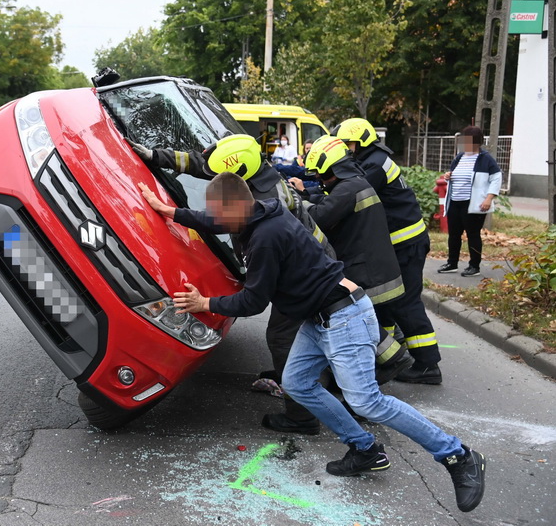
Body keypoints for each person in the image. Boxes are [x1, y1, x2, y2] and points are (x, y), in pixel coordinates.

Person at [137, 172, 486, 513]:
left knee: (367, 400)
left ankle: (457, 454)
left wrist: (204, 304)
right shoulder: (255, 213)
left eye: (217, 214)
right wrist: (170, 211)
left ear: (234, 207)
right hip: (318, 318)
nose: (213, 220)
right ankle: (364, 449)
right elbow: (210, 220)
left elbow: (253, 302)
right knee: (298, 385)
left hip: (344, 316)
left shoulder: (266, 236)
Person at [129, 135, 409, 435]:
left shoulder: (269, 201)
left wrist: (206, 303)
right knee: (311, 327)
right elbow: (207, 171)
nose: (213, 181)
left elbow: (253, 297)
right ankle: (373, 363)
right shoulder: (248, 174)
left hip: (306, 268)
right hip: (307, 265)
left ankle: (302, 415)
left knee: (285, 333)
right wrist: (162, 172)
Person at [288, 136, 412, 381]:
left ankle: (390, 361)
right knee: (366, 323)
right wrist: (310, 196)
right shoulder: (355, 183)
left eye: (322, 176)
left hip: (368, 274)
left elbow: (321, 217)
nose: (320, 181)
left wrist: (298, 201)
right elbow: (330, 202)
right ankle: (371, 366)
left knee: (357, 323)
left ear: (334, 169)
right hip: (377, 270)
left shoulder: (348, 188)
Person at [333, 118, 443, 385]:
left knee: (405, 302)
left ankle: (428, 366)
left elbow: (349, 190)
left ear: (358, 143)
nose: (346, 150)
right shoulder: (373, 159)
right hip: (401, 244)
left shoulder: (374, 166)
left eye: (347, 144)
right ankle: (386, 357)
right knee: (386, 300)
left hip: (406, 244)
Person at [438, 126, 502, 277]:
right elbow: (455, 174)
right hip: (455, 201)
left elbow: (496, 178)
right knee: (453, 234)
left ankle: (474, 266)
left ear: (478, 142)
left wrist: (489, 198)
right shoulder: (459, 157)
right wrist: (449, 175)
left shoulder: (485, 159)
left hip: (473, 203)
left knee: (473, 234)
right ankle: (452, 263)